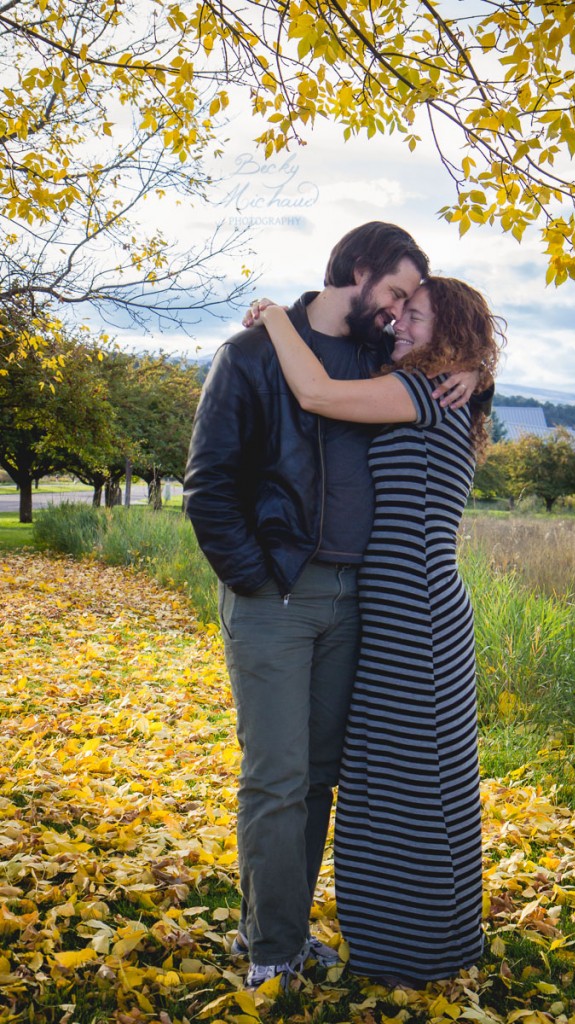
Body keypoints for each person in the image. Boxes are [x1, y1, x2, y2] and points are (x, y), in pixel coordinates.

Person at [183, 222, 487, 990]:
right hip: (277, 593)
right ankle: (270, 950)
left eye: (407, 306)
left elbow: (441, 363)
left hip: (361, 602)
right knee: (277, 776)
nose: (396, 314)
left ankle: (292, 933)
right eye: (393, 295)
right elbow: (208, 485)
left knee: (321, 776)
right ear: (359, 270)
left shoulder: (375, 359)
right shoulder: (250, 356)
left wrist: (478, 369)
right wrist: (256, 577)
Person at [253, 275, 503, 987]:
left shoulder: (428, 392)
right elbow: (352, 332)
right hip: (397, 608)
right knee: (395, 777)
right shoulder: (440, 385)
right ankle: (420, 936)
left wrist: (275, 317)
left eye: (416, 317)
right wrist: (475, 369)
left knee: (413, 779)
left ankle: (418, 948)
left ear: (451, 333)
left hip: (416, 612)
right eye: (399, 313)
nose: (398, 325)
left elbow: (317, 393)